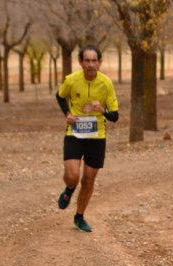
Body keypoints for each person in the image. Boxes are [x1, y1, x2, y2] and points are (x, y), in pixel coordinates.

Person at [55, 44, 119, 232]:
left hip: (97, 136)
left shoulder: (106, 83)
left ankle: (79, 216)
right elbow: (59, 96)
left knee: (89, 180)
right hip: (74, 133)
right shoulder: (72, 80)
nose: (90, 65)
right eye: (87, 61)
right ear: (80, 62)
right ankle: (69, 188)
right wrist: (67, 113)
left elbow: (115, 116)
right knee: (73, 176)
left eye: (94, 61)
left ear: (99, 62)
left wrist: (103, 110)